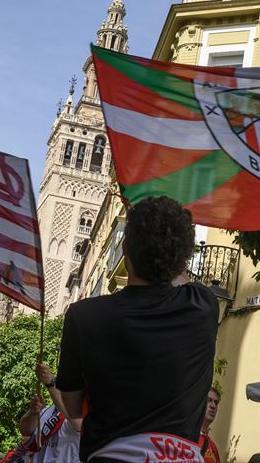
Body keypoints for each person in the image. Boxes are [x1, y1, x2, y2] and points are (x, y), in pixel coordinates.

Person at [56, 196, 219, 463]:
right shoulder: (203, 305)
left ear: (124, 249)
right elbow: (180, 276)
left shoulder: (83, 316)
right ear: (183, 258)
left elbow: (73, 408)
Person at [17, 363, 81, 463]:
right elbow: (25, 431)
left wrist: (50, 382)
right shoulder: (50, 410)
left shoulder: (81, 412)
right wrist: (33, 412)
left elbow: (78, 423)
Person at [198, 388, 221, 463]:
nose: (213, 406)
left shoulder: (213, 447)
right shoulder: (185, 439)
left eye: (216, 403)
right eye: (209, 400)